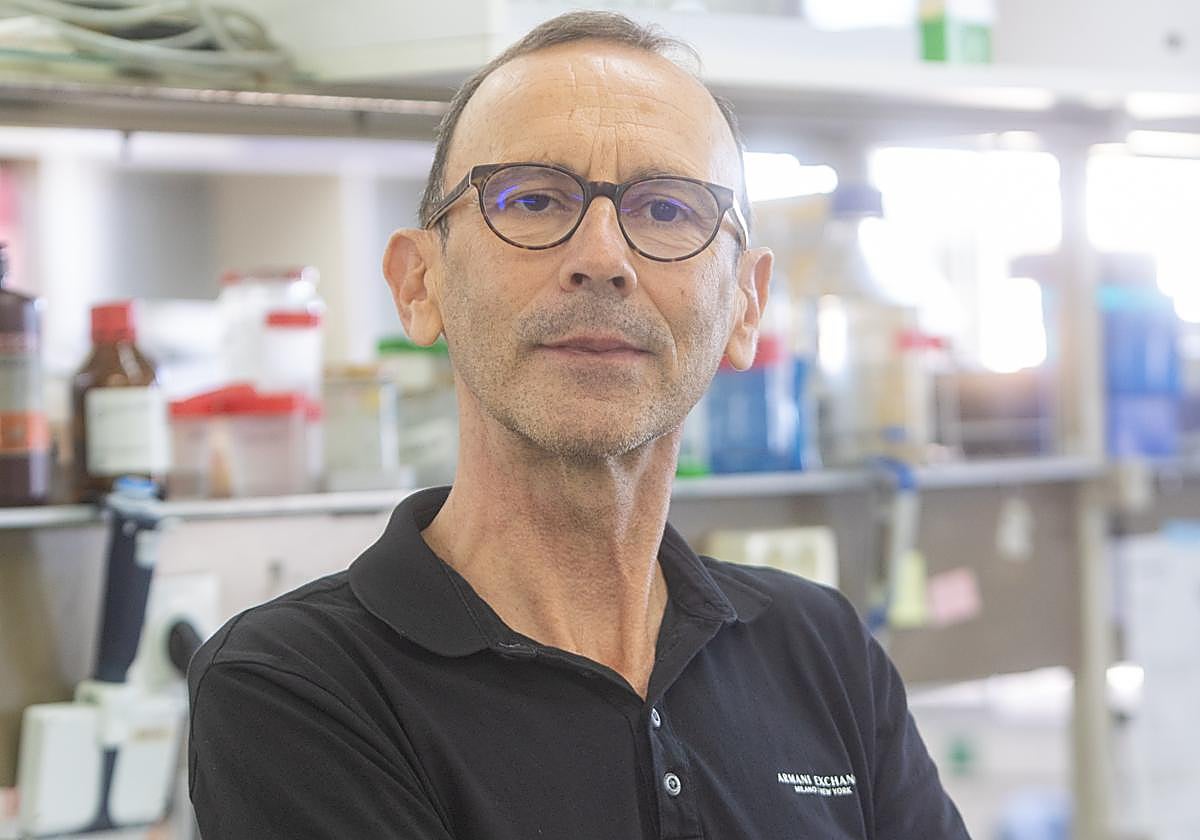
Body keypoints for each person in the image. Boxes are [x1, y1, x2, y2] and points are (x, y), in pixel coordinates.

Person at [188, 10, 970, 839]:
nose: (603, 256)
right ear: (419, 284)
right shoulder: (296, 688)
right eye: (531, 198)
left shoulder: (821, 651)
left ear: (746, 305)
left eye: (667, 210)